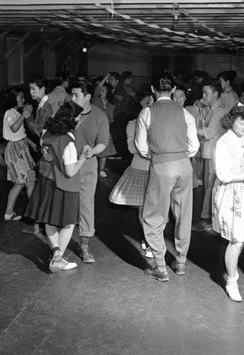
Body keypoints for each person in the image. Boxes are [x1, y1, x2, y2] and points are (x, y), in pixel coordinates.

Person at [135, 72, 199, 281]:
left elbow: (141, 147)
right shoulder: (185, 113)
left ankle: (160, 267)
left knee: (153, 216)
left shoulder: (147, 112)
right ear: (172, 90)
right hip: (184, 166)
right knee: (183, 214)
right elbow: (194, 146)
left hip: (161, 166)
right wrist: (179, 154)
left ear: (153, 90)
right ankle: (180, 262)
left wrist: (159, 153)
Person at [26, 102, 89, 272]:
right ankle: (58, 258)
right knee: (68, 223)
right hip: (65, 186)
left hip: (46, 181)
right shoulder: (68, 141)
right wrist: (83, 157)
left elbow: (46, 155)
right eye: (78, 118)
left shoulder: (46, 133)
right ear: (71, 120)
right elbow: (70, 171)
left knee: (49, 219)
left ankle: (55, 252)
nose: (80, 121)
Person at [212, 102, 244, 302]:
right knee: (236, 239)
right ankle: (231, 280)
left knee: (241, 239)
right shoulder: (224, 142)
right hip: (230, 192)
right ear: (232, 120)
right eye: (242, 121)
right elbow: (223, 175)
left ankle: (231, 273)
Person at [109, 90, 154, 258]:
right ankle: (149, 242)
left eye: (151, 102)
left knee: (157, 211)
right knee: (144, 210)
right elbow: (132, 148)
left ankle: (151, 239)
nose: (149, 106)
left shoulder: (160, 122)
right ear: (139, 107)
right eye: (145, 104)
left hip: (159, 170)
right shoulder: (133, 124)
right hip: (140, 169)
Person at [71, 81, 110, 263]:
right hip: (67, 163)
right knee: (65, 202)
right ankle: (58, 246)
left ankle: (84, 244)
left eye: (76, 95)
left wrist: (92, 151)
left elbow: (103, 141)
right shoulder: (66, 112)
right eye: (72, 94)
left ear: (87, 96)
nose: (72, 98)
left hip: (87, 164)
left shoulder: (99, 115)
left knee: (86, 204)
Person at [191, 79, 227, 232]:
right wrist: (200, 109)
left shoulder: (220, 110)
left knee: (212, 186)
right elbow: (197, 122)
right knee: (207, 186)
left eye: (206, 92)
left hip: (215, 153)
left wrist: (188, 130)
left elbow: (208, 132)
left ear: (216, 93)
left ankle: (210, 220)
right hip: (207, 152)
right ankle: (208, 218)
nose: (203, 95)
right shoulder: (208, 108)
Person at [2, 89, 38, 222]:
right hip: (16, 150)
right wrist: (24, 114)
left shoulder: (14, 112)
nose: (23, 99)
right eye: (21, 97)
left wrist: (30, 143)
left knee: (20, 183)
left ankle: (9, 213)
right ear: (13, 99)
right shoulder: (9, 113)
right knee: (30, 182)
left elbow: (18, 134)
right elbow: (14, 128)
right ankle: (36, 214)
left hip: (20, 147)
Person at [91, 81, 117, 178]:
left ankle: (101, 169)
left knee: (105, 152)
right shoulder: (95, 100)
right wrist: (106, 77)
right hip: (94, 129)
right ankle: (94, 168)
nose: (101, 91)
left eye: (104, 90)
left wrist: (106, 118)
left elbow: (112, 119)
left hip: (105, 129)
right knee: (93, 149)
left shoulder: (110, 105)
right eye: (101, 90)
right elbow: (97, 87)